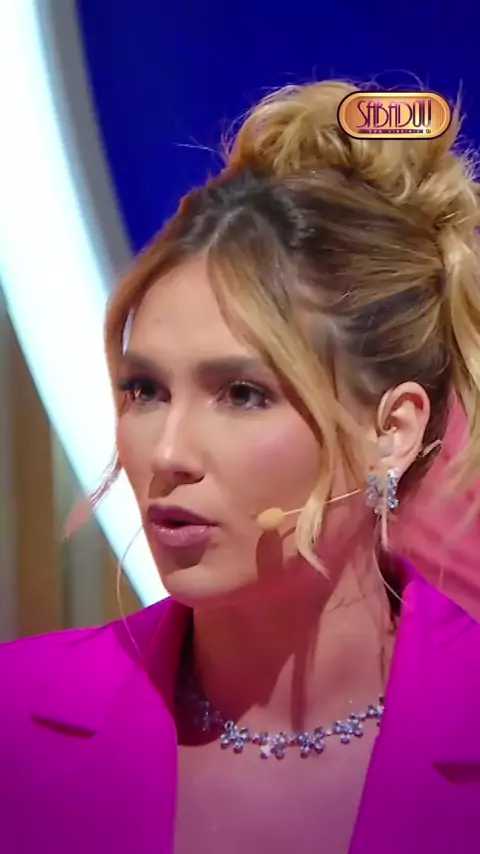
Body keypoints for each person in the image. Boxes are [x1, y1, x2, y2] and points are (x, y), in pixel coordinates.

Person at [1, 79, 480, 854]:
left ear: (391, 432)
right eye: (145, 390)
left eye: (242, 394)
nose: (167, 454)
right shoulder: (16, 720)